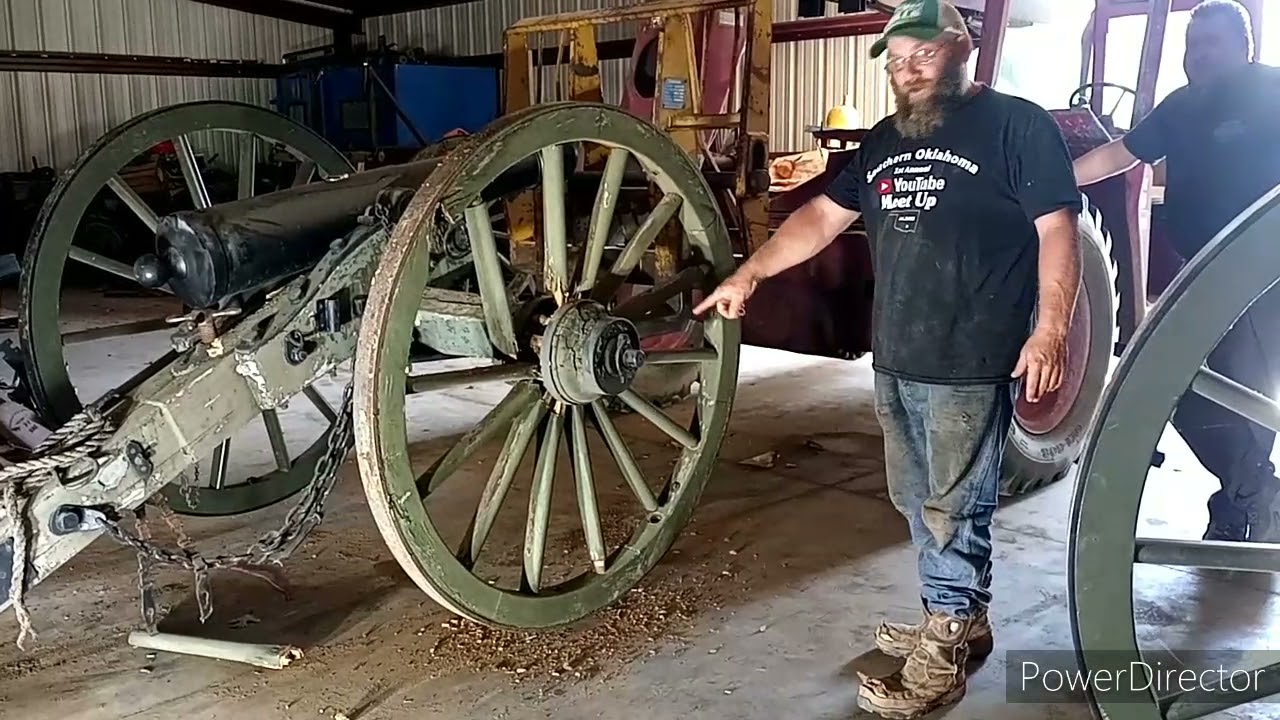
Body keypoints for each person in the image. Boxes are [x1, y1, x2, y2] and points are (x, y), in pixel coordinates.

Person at [693, 0, 1082, 716]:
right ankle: (962, 617)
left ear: (961, 47)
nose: (908, 72)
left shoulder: (1018, 126)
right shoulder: (883, 140)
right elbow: (821, 218)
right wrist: (750, 273)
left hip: (973, 353)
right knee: (915, 496)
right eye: (897, 62)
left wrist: (1051, 329)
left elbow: (1057, 230)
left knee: (952, 505)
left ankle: (944, 647)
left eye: (923, 55)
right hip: (898, 351)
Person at [1074, 0, 1280, 543]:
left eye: (1211, 43)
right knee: (1176, 388)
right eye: (1192, 45)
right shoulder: (1182, 105)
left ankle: (1244, 507)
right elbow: (1121, 154)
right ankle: (1255, 495)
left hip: (1262, 277)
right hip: (1200, 272)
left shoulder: (1273, 91)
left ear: (1244, 47)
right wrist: (1057, 181)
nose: (1198, 55)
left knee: (1246, 395)